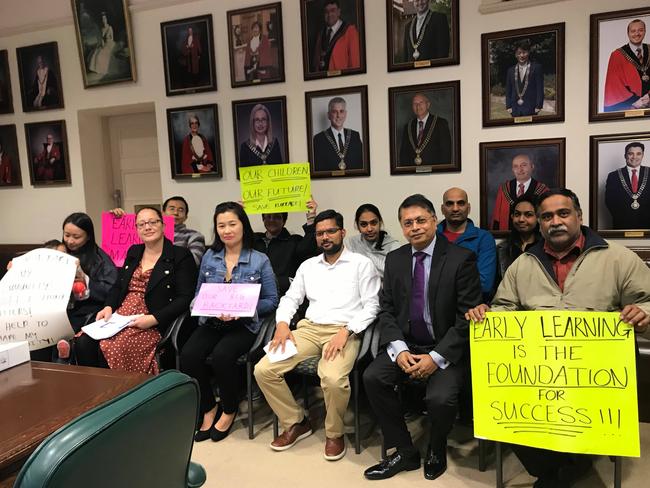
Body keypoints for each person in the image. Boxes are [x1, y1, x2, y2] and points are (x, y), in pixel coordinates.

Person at [466, 188, 650, 488]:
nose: (555, 222)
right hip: (535, 373)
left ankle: (561, 470)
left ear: (579, 216)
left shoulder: (618, 258)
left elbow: (648, 300)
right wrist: (487, 314)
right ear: (540, 224)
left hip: (595, 376)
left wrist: (643, 313)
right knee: (504, 411)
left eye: (563, 213)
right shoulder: (524, 264)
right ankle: (554, 471)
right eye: (547, 216)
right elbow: (504, 308)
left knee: (577, 429)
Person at [362, 194, 482, 481]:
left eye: (420, 220)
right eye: (407, 223)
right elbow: (387, 309)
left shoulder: (460, 259)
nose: (414, 227)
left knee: (440, 398)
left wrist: (435, 358)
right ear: (402, 228)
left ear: (434, 221)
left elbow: (467, 318)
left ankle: (436, 448)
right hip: (406, 344)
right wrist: (399, 349)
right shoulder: (395, 259)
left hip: (444, 347)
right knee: (373, 377)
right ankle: (405, 451)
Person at [254, 209, 380, 461]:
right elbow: (291, 298)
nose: (325, 237)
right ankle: (297, 422)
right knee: (264, 369)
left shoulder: (361, 264)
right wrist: (281, 324)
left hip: (344, 330)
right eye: (320, 233)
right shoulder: (308, 266)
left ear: (342, 232)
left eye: (331, 231)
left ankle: (334, 433)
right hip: (309, 329)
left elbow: (372, 305)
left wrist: (347, 331)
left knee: (332, 378)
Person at [181, 202, 278, 443]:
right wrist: (203, 306)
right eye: (221, 225)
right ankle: (208, 408)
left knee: (223, 355)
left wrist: (245, 309)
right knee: (189, 355)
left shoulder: (260, 260)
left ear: (243, 226)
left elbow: (272, 299)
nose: (227, 230)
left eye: (232, 224)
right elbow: (197, 293)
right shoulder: (209, 257)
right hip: (213, 321)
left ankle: (228, 409)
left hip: (243, 325)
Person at [75, 207, 197, 374]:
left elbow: (184, 298)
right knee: (84, 342)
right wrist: (108, 306)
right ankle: (97, 393)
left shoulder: (180, 255)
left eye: (153, 222)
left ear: (163, 225)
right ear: (137, 229)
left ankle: (122, 394)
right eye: (142, 224)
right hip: (120, 315)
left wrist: (154, 319)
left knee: (113, 347)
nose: (147, 227)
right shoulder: (134, 251)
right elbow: (118, 286)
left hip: (152, 317)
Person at [111, 196, 206, 267]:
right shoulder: (149, 232)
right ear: (163, 213)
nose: (176, 213)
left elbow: (192, 262)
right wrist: (120, 219)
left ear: (186, 216)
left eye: (181, 210)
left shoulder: (194, 236)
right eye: (172, 208)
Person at [437, 187, 497, 299]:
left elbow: (485, 285)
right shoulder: (432, 237)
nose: (455, 208)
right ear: (442, 209)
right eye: (450, 204)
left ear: (468, 208)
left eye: (461, 203)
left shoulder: (483, 238)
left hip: (472, 308)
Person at [253, 199, 319, 296]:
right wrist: (239, 212)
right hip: (254, 295)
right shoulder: (254, 240)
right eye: (268, 216)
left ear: (284, 221)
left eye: (277, 217)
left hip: (283, 295)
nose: (272, 220)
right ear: (263, 219)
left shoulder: (294, 241)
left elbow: (309, 248)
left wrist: (311, 216)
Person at [490, 153, 550, 230]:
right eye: (516, 166)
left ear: (532, 166)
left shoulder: (543, 190)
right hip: (507, 237)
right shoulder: (503, 189)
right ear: (512, 169)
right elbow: (496, 219)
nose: (520, 169)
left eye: (523, 165)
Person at [604, 19, 650, 112]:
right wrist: (636, 102)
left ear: (645, 31)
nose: (637, 34)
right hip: (631, 107)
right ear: (628, 33)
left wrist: (649, 97)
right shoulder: (617, 55)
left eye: (640, 30)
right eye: (633, 31)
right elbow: (614, 86)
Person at [345, 203, 401, 280]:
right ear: (358, 226)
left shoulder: (393, 246)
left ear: (380, 222)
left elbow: (395, 275)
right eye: (364, 224)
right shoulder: (351, 244)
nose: (369, 229)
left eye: (374, 223)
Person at [605, 141, 650, 229]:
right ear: (625, 155)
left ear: (643, 155)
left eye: (638, 154)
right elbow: (610, 201)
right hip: (622, 224)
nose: (634, 157)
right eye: (630, 154)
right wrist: (623, 219)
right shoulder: (613, 176)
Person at [398, 93, 451, 167]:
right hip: (412, 174)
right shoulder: (408, 126)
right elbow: (403, 155)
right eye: (415, 103)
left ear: (428, 104)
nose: (418, 106)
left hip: (435, 173)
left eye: (421, 103)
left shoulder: (440, 123)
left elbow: (446, 153)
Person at [496, 195, 541, 280]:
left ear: (538, 217)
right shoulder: (501, 249)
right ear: (512, 217)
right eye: (517, 214)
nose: (521, 219)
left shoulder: (546, 248)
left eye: (528, 215)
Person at [312, 96, 363, 171]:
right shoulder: (319, 139)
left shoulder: (355, 136)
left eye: (341, 111)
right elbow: (318, 169)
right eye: (334, 112)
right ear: (328, 115)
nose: (338, 116)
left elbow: (361, 164)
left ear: (345, 114)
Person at [311, 0, 361, 73]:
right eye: (326, 11)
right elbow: (316, 64)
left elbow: (355, 64)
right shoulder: (320, 34)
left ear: (339, 12)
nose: (329, 14)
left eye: (332, 10)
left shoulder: (350, 32)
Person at [505, 41, 544, 117]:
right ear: (515, 55)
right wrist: (508, 106)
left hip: (531, 108)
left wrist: (539, 106)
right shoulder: (510, 70)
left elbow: (540, 88)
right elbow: (508, 90)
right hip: (514, 109)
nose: (522, 55)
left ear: (528, 52)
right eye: (519, 53)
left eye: (524, 52)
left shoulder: (536, 68)